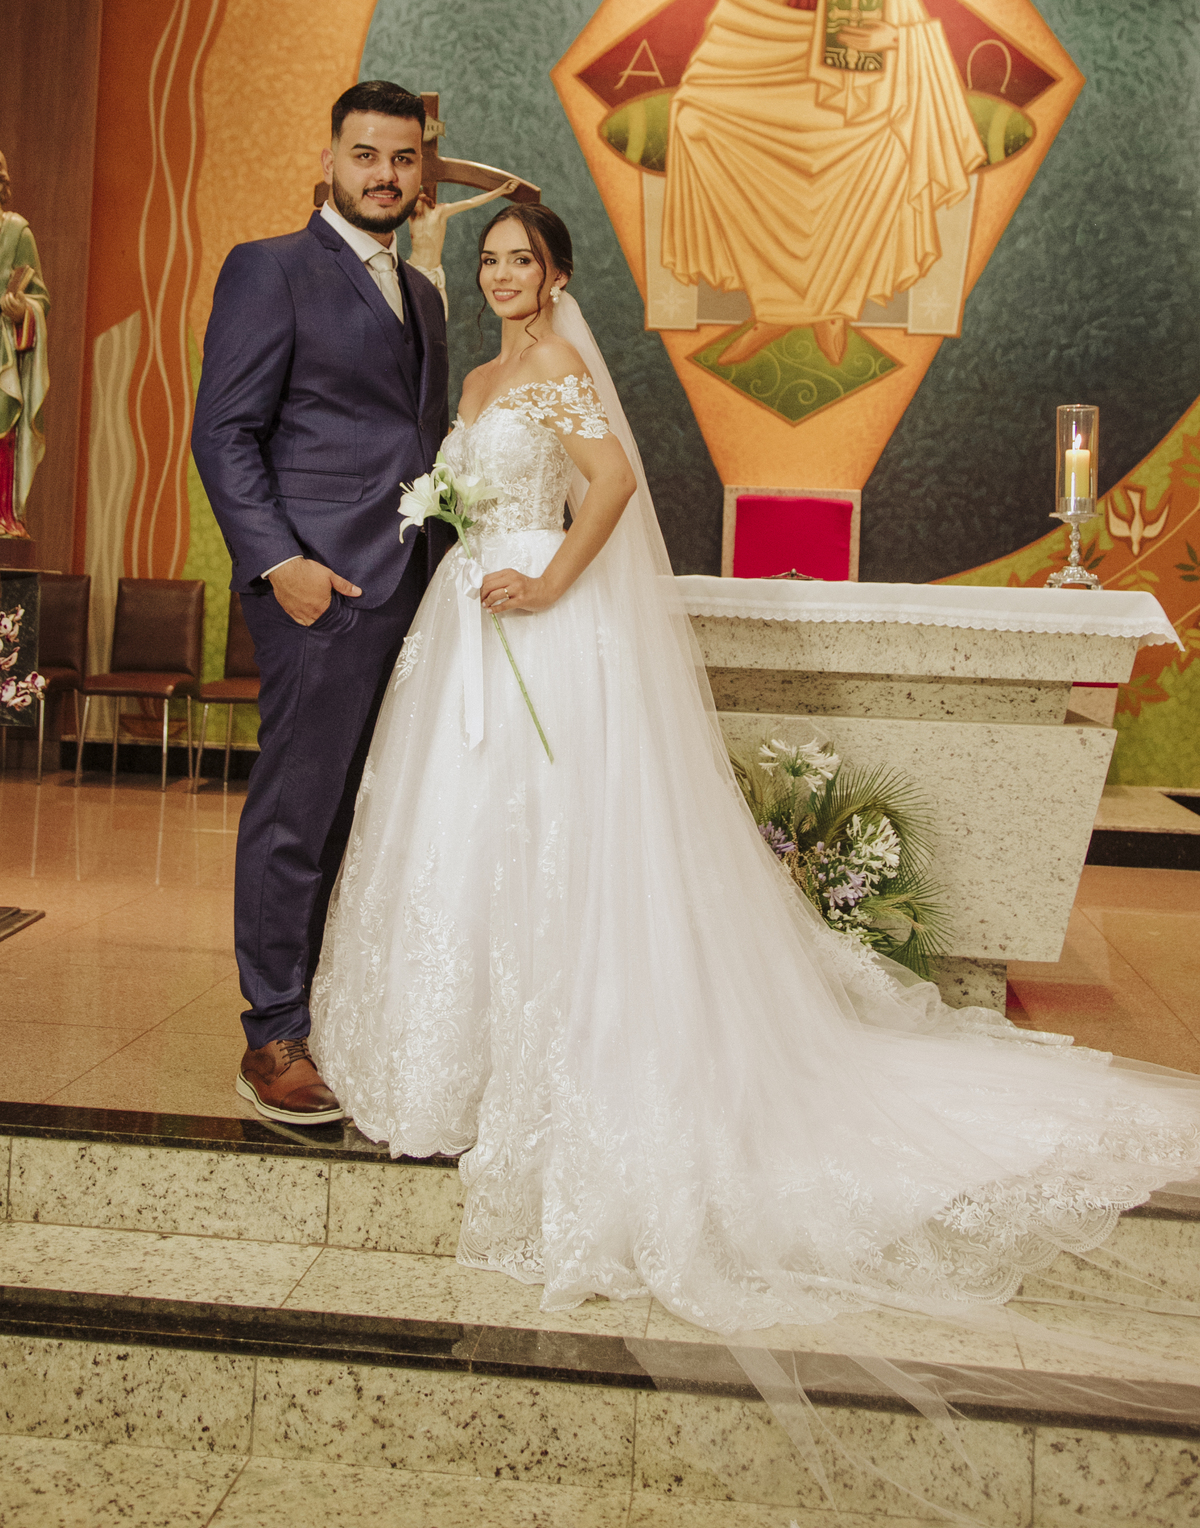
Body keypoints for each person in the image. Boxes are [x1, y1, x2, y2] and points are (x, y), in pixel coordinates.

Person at [310, 200, 1200, 1337]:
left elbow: (612, 484)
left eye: (521, 261)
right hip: (468, 622)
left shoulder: (558, 369)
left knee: (552, 833)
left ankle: (565, 1063)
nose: (502, 276)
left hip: (539, 618)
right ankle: (463, 1059)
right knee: (462, 831)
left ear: (557, 275)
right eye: (490, 261)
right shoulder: (483, 377)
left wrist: (548, 580)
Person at [192, 80, 456, 1124]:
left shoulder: (423, 293)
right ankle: (272, 1036)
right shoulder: (270, 268)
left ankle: (332, 1009)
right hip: (320, 590)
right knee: (297, 813)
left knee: (367, 812)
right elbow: (225, 431)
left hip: (414, 591)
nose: (384, 175)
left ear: (421, 169)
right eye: (365, 155)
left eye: (402, 158)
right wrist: (280, 564)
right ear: (331, 159)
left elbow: (415, 440)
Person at [662, 0, 983, 369]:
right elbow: (740, 21)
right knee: (693, 120)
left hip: (843, 91)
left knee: (889, 149)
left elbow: (900, 19)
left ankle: (833, 306)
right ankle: (773, 307)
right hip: (769, 74)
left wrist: (888, 38)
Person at [0, 150, 50, 539]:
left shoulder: (16, 233)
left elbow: (39, 299)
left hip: (1, 352)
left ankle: (4, 514)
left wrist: (22, 311)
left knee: (3, 422)